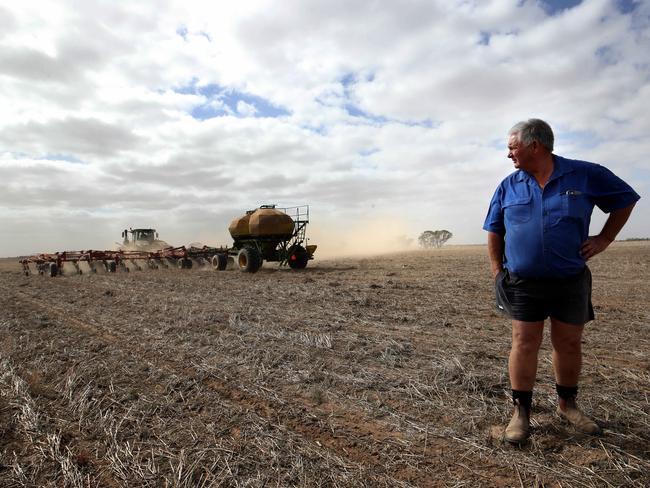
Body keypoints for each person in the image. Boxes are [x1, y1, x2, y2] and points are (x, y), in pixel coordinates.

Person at [483, 119, 640, 445]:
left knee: (567, 344)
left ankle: (567, 406)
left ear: (535, 145)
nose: (508, 154)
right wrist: (498, 271)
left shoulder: (585, 174)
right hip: (524, 282)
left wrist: (605, 238)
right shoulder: (508, 185)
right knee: (524, 343)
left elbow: (625, 199)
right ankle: (520, 412)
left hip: (570, 280)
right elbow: (494, 229)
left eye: (512, 147)